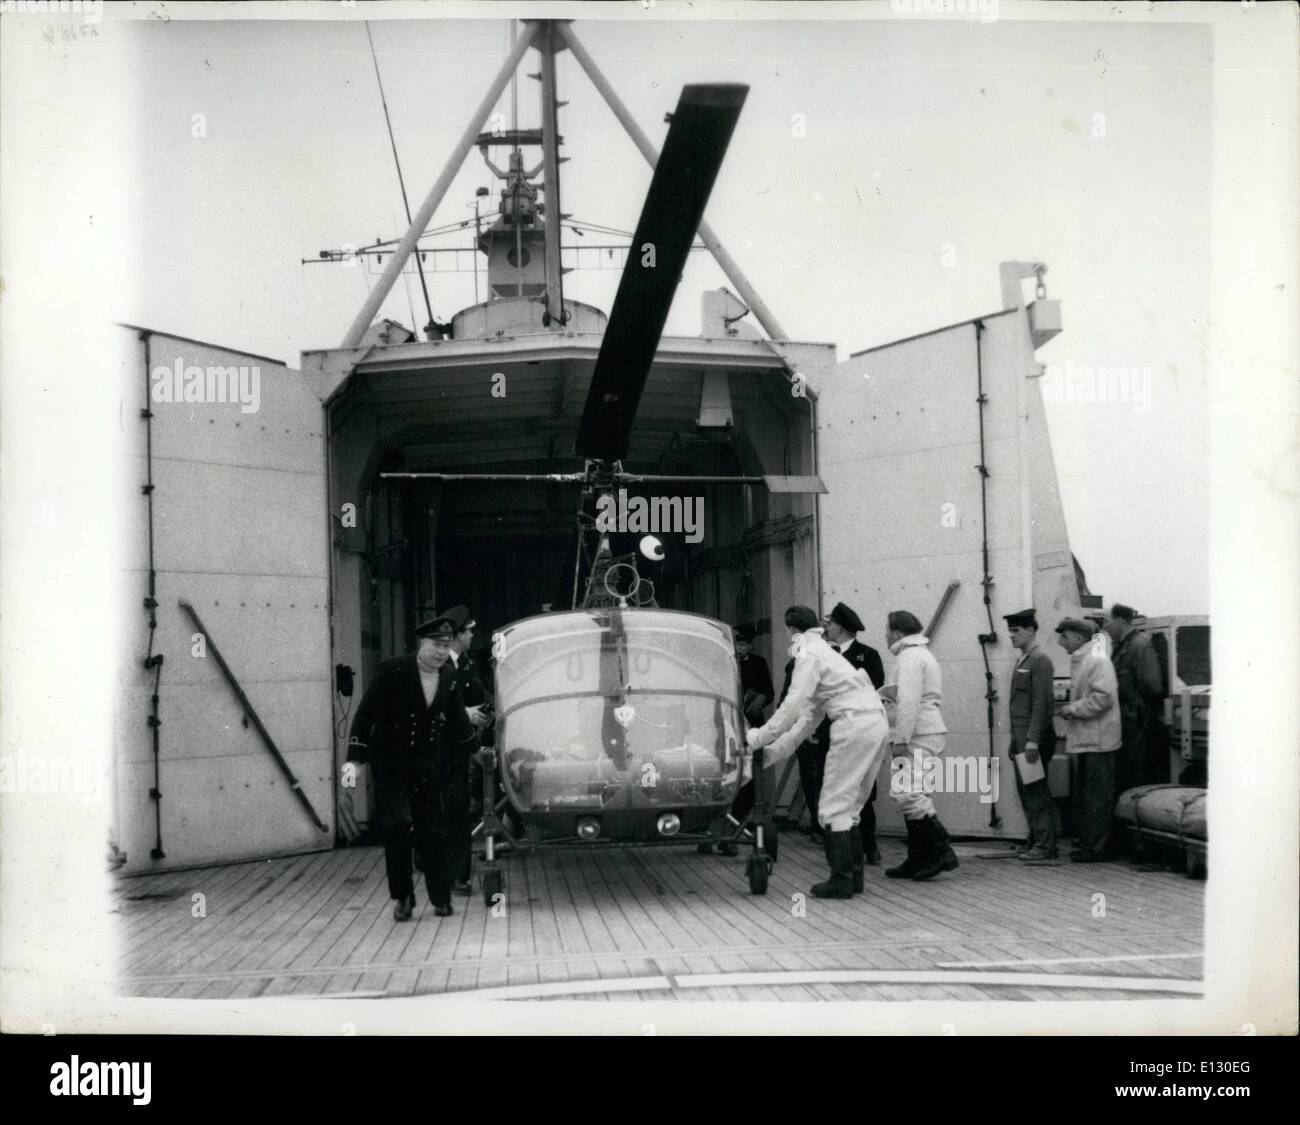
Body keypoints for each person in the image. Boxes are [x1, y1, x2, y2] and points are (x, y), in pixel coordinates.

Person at [745, 606, 888, 898]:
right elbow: (809, 718)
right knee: (851, 806)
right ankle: (853, 879)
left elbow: (792, 707)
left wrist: (756, 738)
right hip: (875, 722)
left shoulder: (808, 655)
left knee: (832, 807)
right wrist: (772, 752)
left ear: (790, 630)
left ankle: (841, 881)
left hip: (852, 726)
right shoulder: (827, 654)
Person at [345, 616, 478, 920]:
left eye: (446, 646)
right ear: (422, 643)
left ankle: (440, 897)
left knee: (432, 827)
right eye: (436, 645)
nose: (441, 652)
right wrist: (355, 761)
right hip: (390, 763)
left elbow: (457, 718)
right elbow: (365, 715)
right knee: (395, 827)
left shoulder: (448, 676)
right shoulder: (393, 670)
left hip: (427, 763)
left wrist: (476, 750)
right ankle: (403, 896)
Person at [882, 610, 959, 882]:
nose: (885, 635)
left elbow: (908, 702)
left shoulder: (910, 658)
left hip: (916, 735)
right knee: (917, 793)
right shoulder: (919, 654)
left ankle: (941, 850)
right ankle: (918, 859)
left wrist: (900, 738)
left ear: (898, 632)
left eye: (888, 630)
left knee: (908, 794)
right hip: (926, 731)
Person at [1054, 618, 1122, 862]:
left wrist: (1073, 709)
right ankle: (1090, 843)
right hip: (1090, 739)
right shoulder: (1088, 659)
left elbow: (1104, 698)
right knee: (1089, 795)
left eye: (1065, 637)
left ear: (1079, 638)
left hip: (1099, 741)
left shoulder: (1095, 660)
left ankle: (1097, 847)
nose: (1061, 642)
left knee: (1097, 796)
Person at [822, 602, 886, 864]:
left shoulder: (867, 655)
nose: (827, 627)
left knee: (862, 793)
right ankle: (842, 852)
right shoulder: (826, 654)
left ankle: (868, 847)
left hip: (859, 731)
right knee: (834, 791)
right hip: (833, 730)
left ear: (843, 628)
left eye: (831, 623)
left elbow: (878, 691)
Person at [440, 605, 491, 895]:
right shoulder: (440, 664)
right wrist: (466, 712)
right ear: (458, 635)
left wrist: (486, 706)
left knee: (457, 810)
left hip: (460, 750)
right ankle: (451, 872)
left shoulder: (465, 663)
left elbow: (477, 693)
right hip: (440, 750)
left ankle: (459, 875)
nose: (474, 634)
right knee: (447, 810)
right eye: (470, 630)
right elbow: (432, 705)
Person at [1004, 609, 1059, 863]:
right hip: (1023, 739)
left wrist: (1033, 739)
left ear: (1030, 630)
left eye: (1015, 631)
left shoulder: (1040, 660)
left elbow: (1041, 705)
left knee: (1035, 791)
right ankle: (1035, 839)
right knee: (1026, 791)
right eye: (1010, 631)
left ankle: (1045, 845)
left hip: (1033, 740)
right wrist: (1016, 740)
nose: (1011, 636)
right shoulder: (1023, 660)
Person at [1103, 603, 1165, 795]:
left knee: (1134, 775)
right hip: (1125, 722)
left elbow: (1153, 686)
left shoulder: (1140, 645)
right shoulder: (1121, 646)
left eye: (1107, 621)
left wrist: (1138, 709)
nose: (1105, 626)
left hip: (1136, 723)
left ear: (1120, 621)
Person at [734, 625, 774, 726]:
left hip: (752, 718)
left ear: (749, 646)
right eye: (736, 645)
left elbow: (768, 691)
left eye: (742, 645)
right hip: (732, 715)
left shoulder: (759, 662)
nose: (739, 648)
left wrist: (758, 702)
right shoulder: (728, 660)